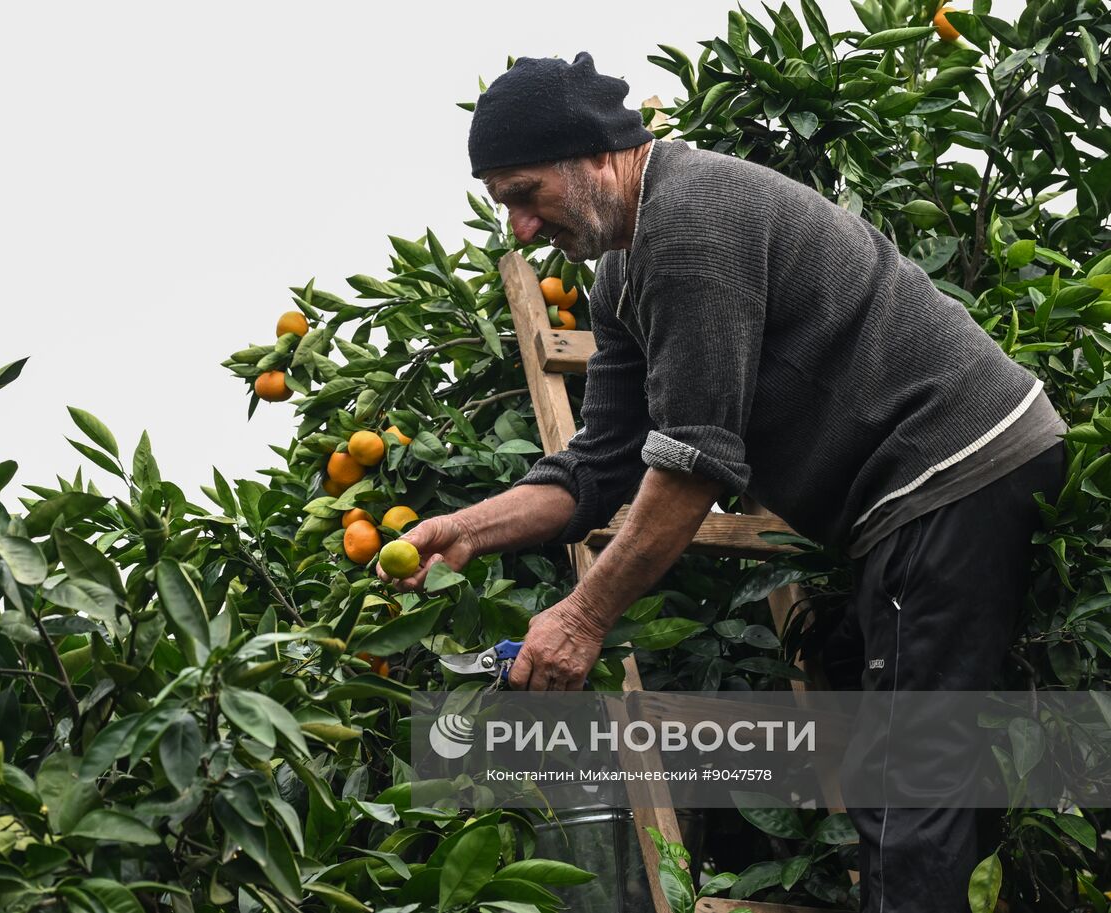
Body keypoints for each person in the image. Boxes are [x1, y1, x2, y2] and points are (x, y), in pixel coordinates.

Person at [377, 51, 1067, 911]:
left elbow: (694, 462)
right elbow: (603, 462)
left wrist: (585, 616)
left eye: (525, 195)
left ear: (592, 156)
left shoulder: (692, 221)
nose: (518, 228)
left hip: (954, 467)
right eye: (503, 205)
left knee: (907, 786)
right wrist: (469, 529)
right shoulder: (622, 272)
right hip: (917, 494)